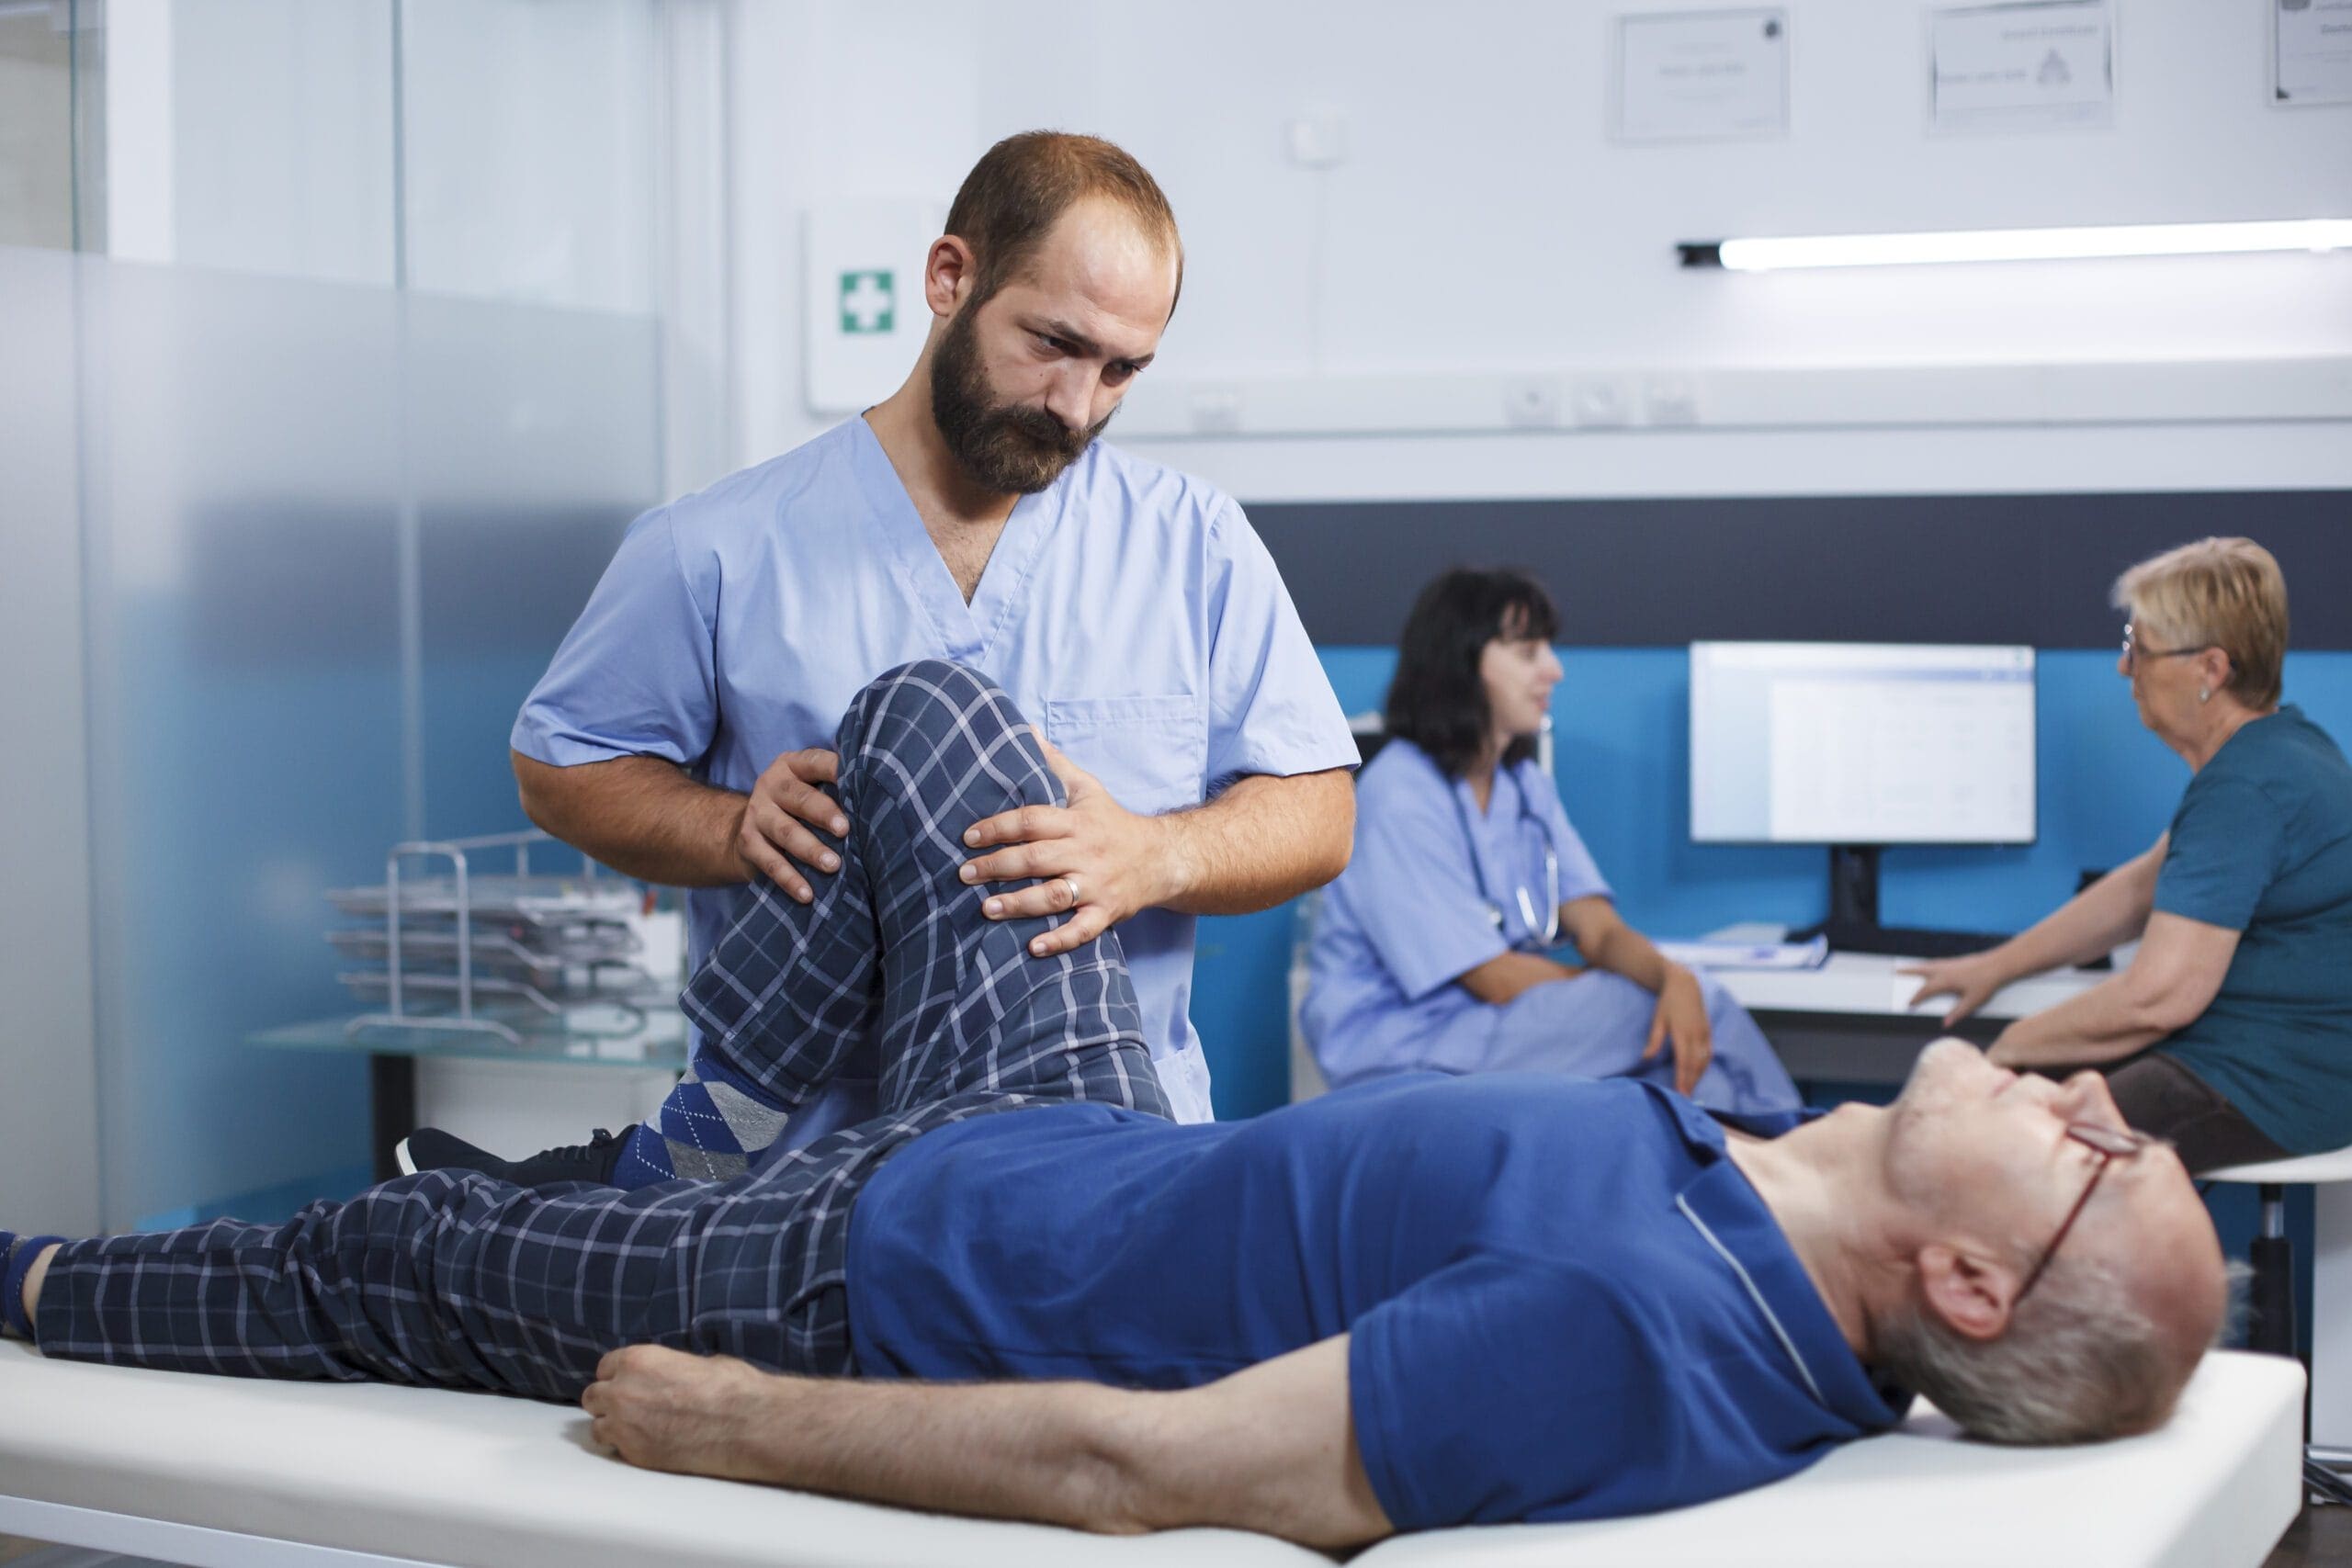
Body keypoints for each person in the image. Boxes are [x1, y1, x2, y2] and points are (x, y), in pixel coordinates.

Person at [0, 661, 2230, 1547]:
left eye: (2093, 1156)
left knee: (378, 1256)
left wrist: (730, 1416)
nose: (2102, 1108)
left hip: (865, 1269)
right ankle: (711, 1113)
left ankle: (30, 1272)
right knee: (931, 718)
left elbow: (1136, 1461)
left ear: (1958, 1269)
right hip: (1065, 1122)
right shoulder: (1771, 1227)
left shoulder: (1633, 1324)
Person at [418, 131, 1357, 1188]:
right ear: (949, 277)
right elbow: (562, 772)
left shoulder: (1193, 544)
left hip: (1114, 1169)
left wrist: (1155, 856)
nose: (1076, 405)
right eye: (1052, 342)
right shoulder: (718, 548)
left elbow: (1317, 809)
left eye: (1122, 369)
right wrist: (734, 828)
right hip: (794, 1181)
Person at [1905, 538, 2352, 1173]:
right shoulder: (2282, 747)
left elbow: (2159, 998)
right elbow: (2141, 888)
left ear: (2211, 669)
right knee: (2007, 1105)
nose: (2124, 668)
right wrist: (1995, 967)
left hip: (2269, 1087)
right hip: (2274, 1065)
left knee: (1997, 1146)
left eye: (2138, 650)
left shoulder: (2246, 788)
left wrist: (2009, 1049)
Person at [1302, 568, 1800, 1113]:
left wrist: (1669, 976)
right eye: (1528, 652)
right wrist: (1631, 992)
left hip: (1495, 1029)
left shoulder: (1525, 789)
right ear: (1461, 662)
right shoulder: (1400, 795)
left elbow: (1600, 930)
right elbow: (1492, 976)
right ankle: (1801, 1153)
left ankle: (1764, 1171)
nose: (1554, 671)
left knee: (1681, 1040)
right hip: (1404, 1046)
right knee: (1674, 1017)